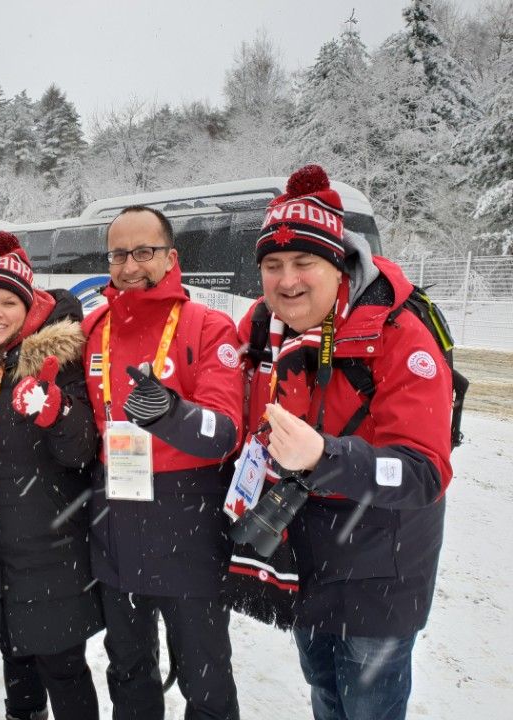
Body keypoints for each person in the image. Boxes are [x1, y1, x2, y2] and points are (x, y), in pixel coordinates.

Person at [239, 165, 454, 720]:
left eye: (304, 263)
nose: (287, 281)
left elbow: (424, 473)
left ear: (338, 264)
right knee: (326, 689)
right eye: (273, 265)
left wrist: (325, 457)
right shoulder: (262, 326)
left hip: (384, 557)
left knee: (369, 703)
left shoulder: (401, 334)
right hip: (307, 550)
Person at [80, 206, 244, 720]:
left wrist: (170, 412)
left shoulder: (208, 326)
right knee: (128, 670)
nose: (130, 266)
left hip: (188, 523)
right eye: (119, 254)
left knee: (205, 675)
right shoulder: (92, 329)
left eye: (144, 252)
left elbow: (224, 433)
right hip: (116, 519)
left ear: (171, 257)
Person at [0, 231, 103, 720]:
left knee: (62, 667)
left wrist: (56, 410)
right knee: (16, 663)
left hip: (49, 550)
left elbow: (82, 450)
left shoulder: (54, 361)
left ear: (29, 307)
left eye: (8, 302)